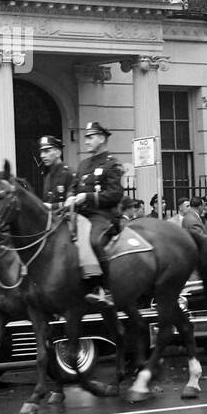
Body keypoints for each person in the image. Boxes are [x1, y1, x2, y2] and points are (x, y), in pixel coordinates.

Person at [67, 121, 124, 295]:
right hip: (80, 215)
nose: (86, 141)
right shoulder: (83, 164)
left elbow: (115, 194)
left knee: (94, 241)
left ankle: (107, 287)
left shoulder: (111, 164)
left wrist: (88, 197)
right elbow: (74, 185)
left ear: (101, 138)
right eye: (86, 137)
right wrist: (70, 196)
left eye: (90, 137)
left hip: (103, 215)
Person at [37, 135, 75, 207]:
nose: (42, 155)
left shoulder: (69, 173)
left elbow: (73, 203)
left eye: (46, 151)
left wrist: (52, 206)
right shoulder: (48, 176)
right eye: (41, 152)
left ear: (58, 153)